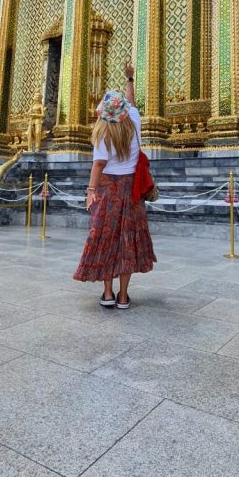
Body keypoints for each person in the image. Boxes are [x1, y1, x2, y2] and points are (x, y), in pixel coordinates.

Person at [74, 62, 156, 308]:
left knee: (106, 237)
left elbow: (98, 165)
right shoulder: (133, 120)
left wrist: (90, 191)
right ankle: (123, 296)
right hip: (131, 189)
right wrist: (129, 78)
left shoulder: (102, 132)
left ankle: (108, 294)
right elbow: (129, 101)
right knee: (126, 240)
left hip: (108, 188)